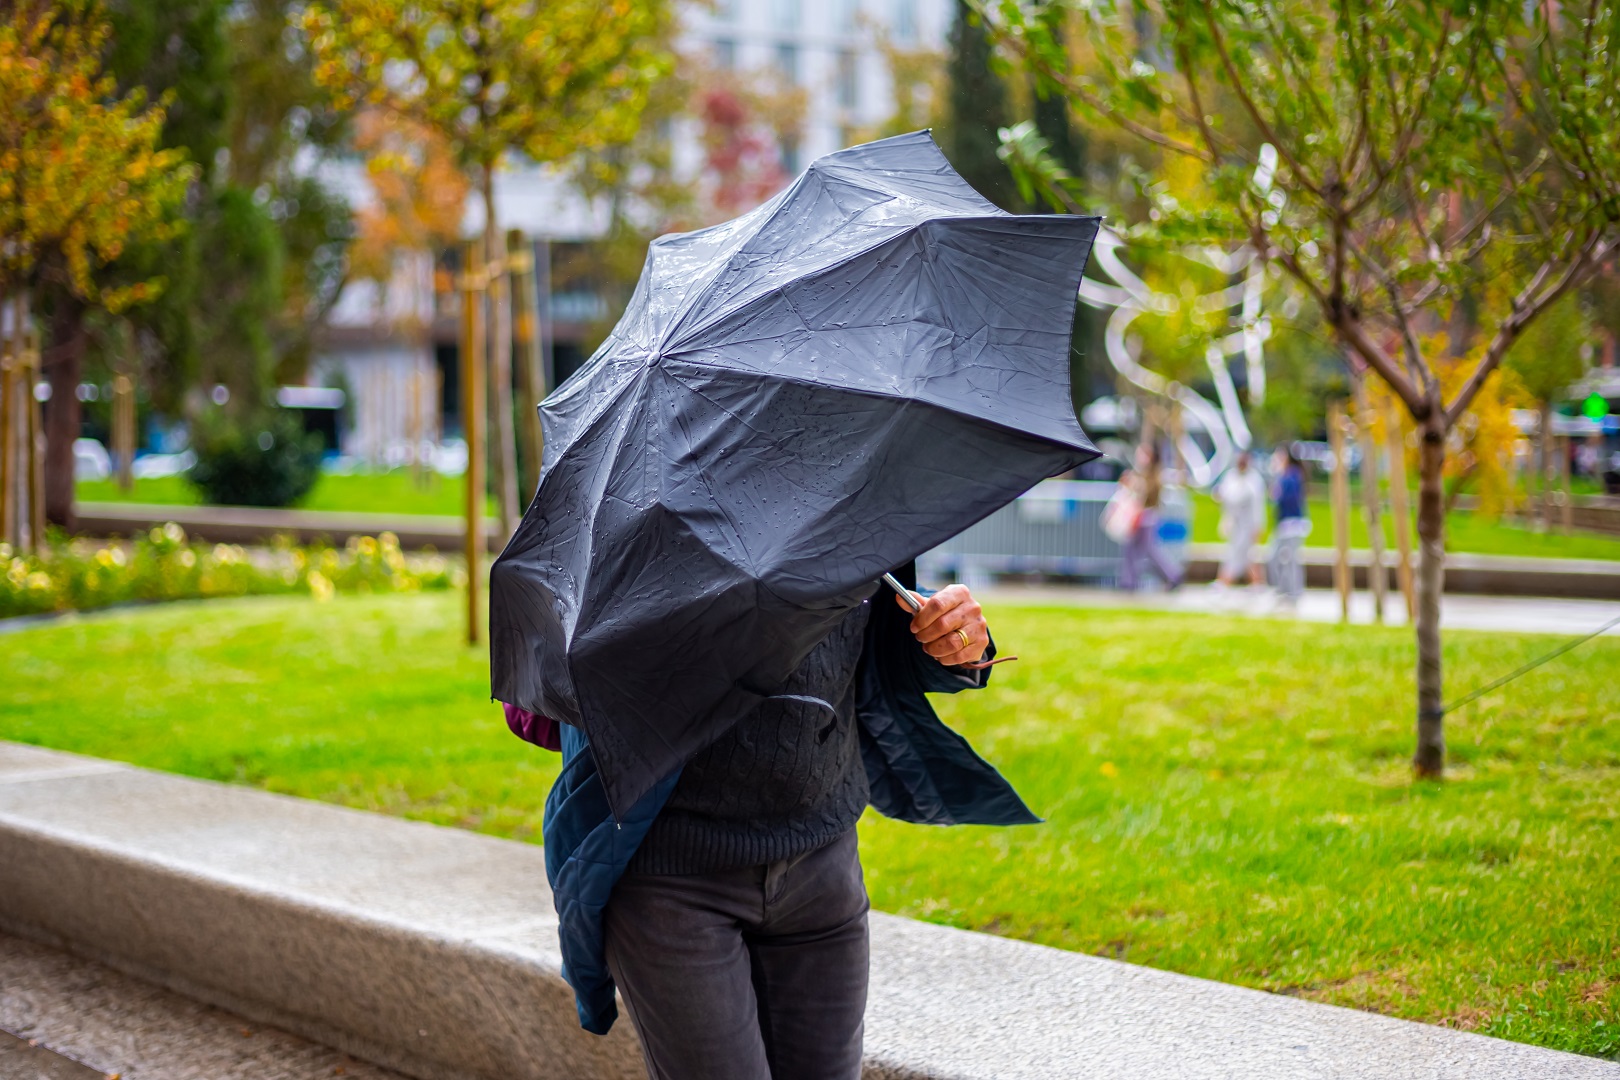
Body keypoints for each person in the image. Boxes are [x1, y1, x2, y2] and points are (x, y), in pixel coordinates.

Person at [568, 577, 1001, 1080]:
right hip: (674, 882)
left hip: (823, 868)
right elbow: (541, 698)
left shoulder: (845, 501)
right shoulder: (636, 509)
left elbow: (871, 617)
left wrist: (950, 630)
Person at [1116, 444, 1183, 591]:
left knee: (1149, 550)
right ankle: (1129, 580)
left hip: (1147, 518)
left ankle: (1172, 575)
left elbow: (1147, 496)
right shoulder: (1142, 474)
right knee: (1133, 550)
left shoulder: (1154, 476)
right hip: (1141, 517)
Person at [1214, 451, 1268, 588]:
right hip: (1234, 523)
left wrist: (1258, 525)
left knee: (1242, 553)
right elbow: (1225, 496)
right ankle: (1255, 582)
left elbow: (1258, 505)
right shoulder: (1231, 476)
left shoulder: (1254, 480)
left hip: (1247, 524)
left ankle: (1225, 581)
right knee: (1241, 554)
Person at [1269, 445, 1311, 606]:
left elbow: (1286, 498)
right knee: (1279, 558)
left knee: (1290, 559)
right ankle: (1285, 589)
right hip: (1285, 524)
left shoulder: (1291, 476)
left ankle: (1293, 592)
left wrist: (1277, 492)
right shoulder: (1287, 475)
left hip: (1292, 524)